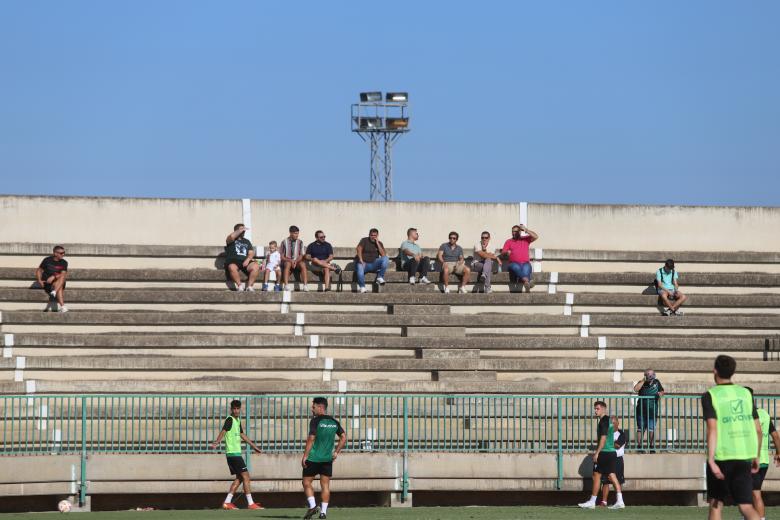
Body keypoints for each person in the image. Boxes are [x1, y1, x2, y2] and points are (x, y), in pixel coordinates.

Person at [701, 355, 762, 520]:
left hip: (722, 455)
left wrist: (711, 459)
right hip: (744, 456)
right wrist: (756, 455)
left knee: (716, 503)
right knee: (746, 506)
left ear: (714, 371)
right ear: (733, 372)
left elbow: (712, 428)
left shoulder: (710, 395)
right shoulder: (745, 394)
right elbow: (758, 430)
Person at [210, 399, 263, 510]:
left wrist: (254, 446)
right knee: (246, 476)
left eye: (237, 408)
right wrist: (217, 441)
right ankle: (251, 503)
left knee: (239, 478)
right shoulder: (229, 420)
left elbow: (242, 435)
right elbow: (223, 431)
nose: (236, 410)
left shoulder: (237, 420)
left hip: (234, 454)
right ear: (231, 409)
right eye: (234, 408)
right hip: (233, 454)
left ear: (240, 409)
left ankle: (227, 502)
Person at [302, 397, 347, 520]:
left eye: (314, 406)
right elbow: (343, 437)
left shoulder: (315, 421)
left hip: (313, 458)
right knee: (325, 486)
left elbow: (311, 438)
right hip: (327, 459)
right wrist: (336, 452)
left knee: (306, 482)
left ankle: (312, 506)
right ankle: (323, 513)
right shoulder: (334, 421)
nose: (312, 409)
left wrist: (305, 455)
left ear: (320, 407)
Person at [578, 401, 625, 510]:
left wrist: (597, 452)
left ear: (604, 409)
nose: (595, 411)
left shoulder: (604, 421)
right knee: (606, 475)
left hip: (605, 452)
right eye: (595, 408)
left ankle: (593, 501)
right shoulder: (607, 420)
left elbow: (603, 438)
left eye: (597, 409)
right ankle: (618, 500)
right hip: (609, 452)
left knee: (600, 475)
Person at [747, 388, 780, 520]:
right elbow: (776, 436)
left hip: (752, 460)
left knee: (755, 493)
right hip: (764, 461)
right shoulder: (764, 414)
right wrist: (778, 452)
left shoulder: (746, 416)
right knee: (751, 492)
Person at [633, 369, 665, 452]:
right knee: (640, 428)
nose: (650, 376)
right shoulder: (642, 382)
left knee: (651, 429)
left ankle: (651, 446)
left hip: (652, 410)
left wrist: (660, 394)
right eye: (648, 374)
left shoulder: (657, 382)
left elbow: (662, 391)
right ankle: (639, 447)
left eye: (652, 374)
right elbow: (636, 389)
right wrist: (643, 380)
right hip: (641, 410)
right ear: (645, 375)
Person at [501, 224, 539, 292]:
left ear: (520, 232)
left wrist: (526, 230)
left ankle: (526, 283)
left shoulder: (525, 239)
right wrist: (506, 253)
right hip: (513, 264)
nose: (513, 233)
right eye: (512, 231)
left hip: (525, 263)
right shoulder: (508, 241)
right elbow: (503, 253)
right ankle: (528, 281)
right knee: (516, 267)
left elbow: (536, 236)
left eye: (515, 231)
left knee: (527, 267)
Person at [599, 416, 626, 507]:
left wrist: (607, 443)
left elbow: (617, 445)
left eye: (614, 423)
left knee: (618, 481)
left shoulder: (621, 434)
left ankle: (618, 500)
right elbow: (601, 443)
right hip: (607, 458)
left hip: (617, 459)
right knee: (605, 481)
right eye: (611, 423)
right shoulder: (606, 432)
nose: (612, 425)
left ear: (618, 423)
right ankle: (604, 501)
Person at [225, 224, 260, 292]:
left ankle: (249, 286)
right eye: (242, 230)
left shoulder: (246, 241)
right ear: (236, 230)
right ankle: (240, 286)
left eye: (244, 230)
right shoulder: (231, 240)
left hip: (245, 261)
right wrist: (240, 230)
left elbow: (251, 253)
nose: (244, 231)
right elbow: (231, 236)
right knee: (232, 267)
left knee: (256, 266)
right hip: (233, 261)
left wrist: (248, 259)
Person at [355, 228, 388, 293]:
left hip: (373, 264)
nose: (373, 237)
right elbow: (358, 249)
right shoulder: (364, 240)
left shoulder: (379, 243)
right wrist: (361, 260)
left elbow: (383, 254)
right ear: (369, 235)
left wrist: (377, 243)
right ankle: (362, 287)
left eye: (375, 235)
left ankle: (380, 277)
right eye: (372, 235)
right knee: (359, 266)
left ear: (377, 235)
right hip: (364, 263)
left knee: (385, 258)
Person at [36, 245, 68, 312]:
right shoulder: (47, 260)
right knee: (60, 286)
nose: (63, 254)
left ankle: (55, 292)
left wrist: (54, 276)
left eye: (64, 252)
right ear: (55, 253)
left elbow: (63, 274)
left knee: (62, 278)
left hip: (58, 282)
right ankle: (63, 307)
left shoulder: (64, 262)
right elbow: (39, 270)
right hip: (48, 283)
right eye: (61, 253)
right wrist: (39, 280)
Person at [281, 225, 308, 291]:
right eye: (295, 233)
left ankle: (305, 285)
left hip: (297, 261)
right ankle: (286, 285)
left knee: (303, 264)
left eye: (297, 233)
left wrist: (295, 261)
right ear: (290, 233)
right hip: (287, 261)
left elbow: (301, 255)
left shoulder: (300, 242)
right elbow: (281, 256)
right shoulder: (284, 242)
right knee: (288, 264)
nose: (297, 235)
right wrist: (290, 260)